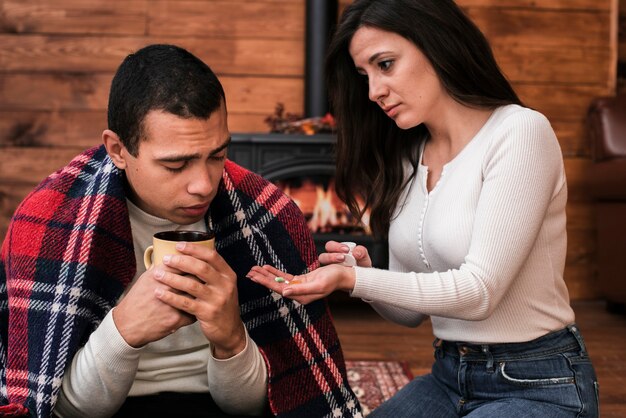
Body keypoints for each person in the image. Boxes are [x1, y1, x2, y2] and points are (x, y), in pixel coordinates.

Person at [247, 1, 600, 417]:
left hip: (537, 381)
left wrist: (351, 279)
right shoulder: (407, 158)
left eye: (386, 64)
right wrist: (360, 275)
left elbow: (479, 292)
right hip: (449, 375)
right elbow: (410, 314)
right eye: (365, 76)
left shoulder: (519, 131)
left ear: (436, 44)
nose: (374, 91)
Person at [0, 44, 361, 418]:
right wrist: (123, 331)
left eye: (217, 156)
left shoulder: (266, 216)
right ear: (118, 150)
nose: (204, 185)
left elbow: (265, 406)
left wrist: (231, 339)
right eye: (176, 165)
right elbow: (59, 410)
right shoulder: (51, 221)